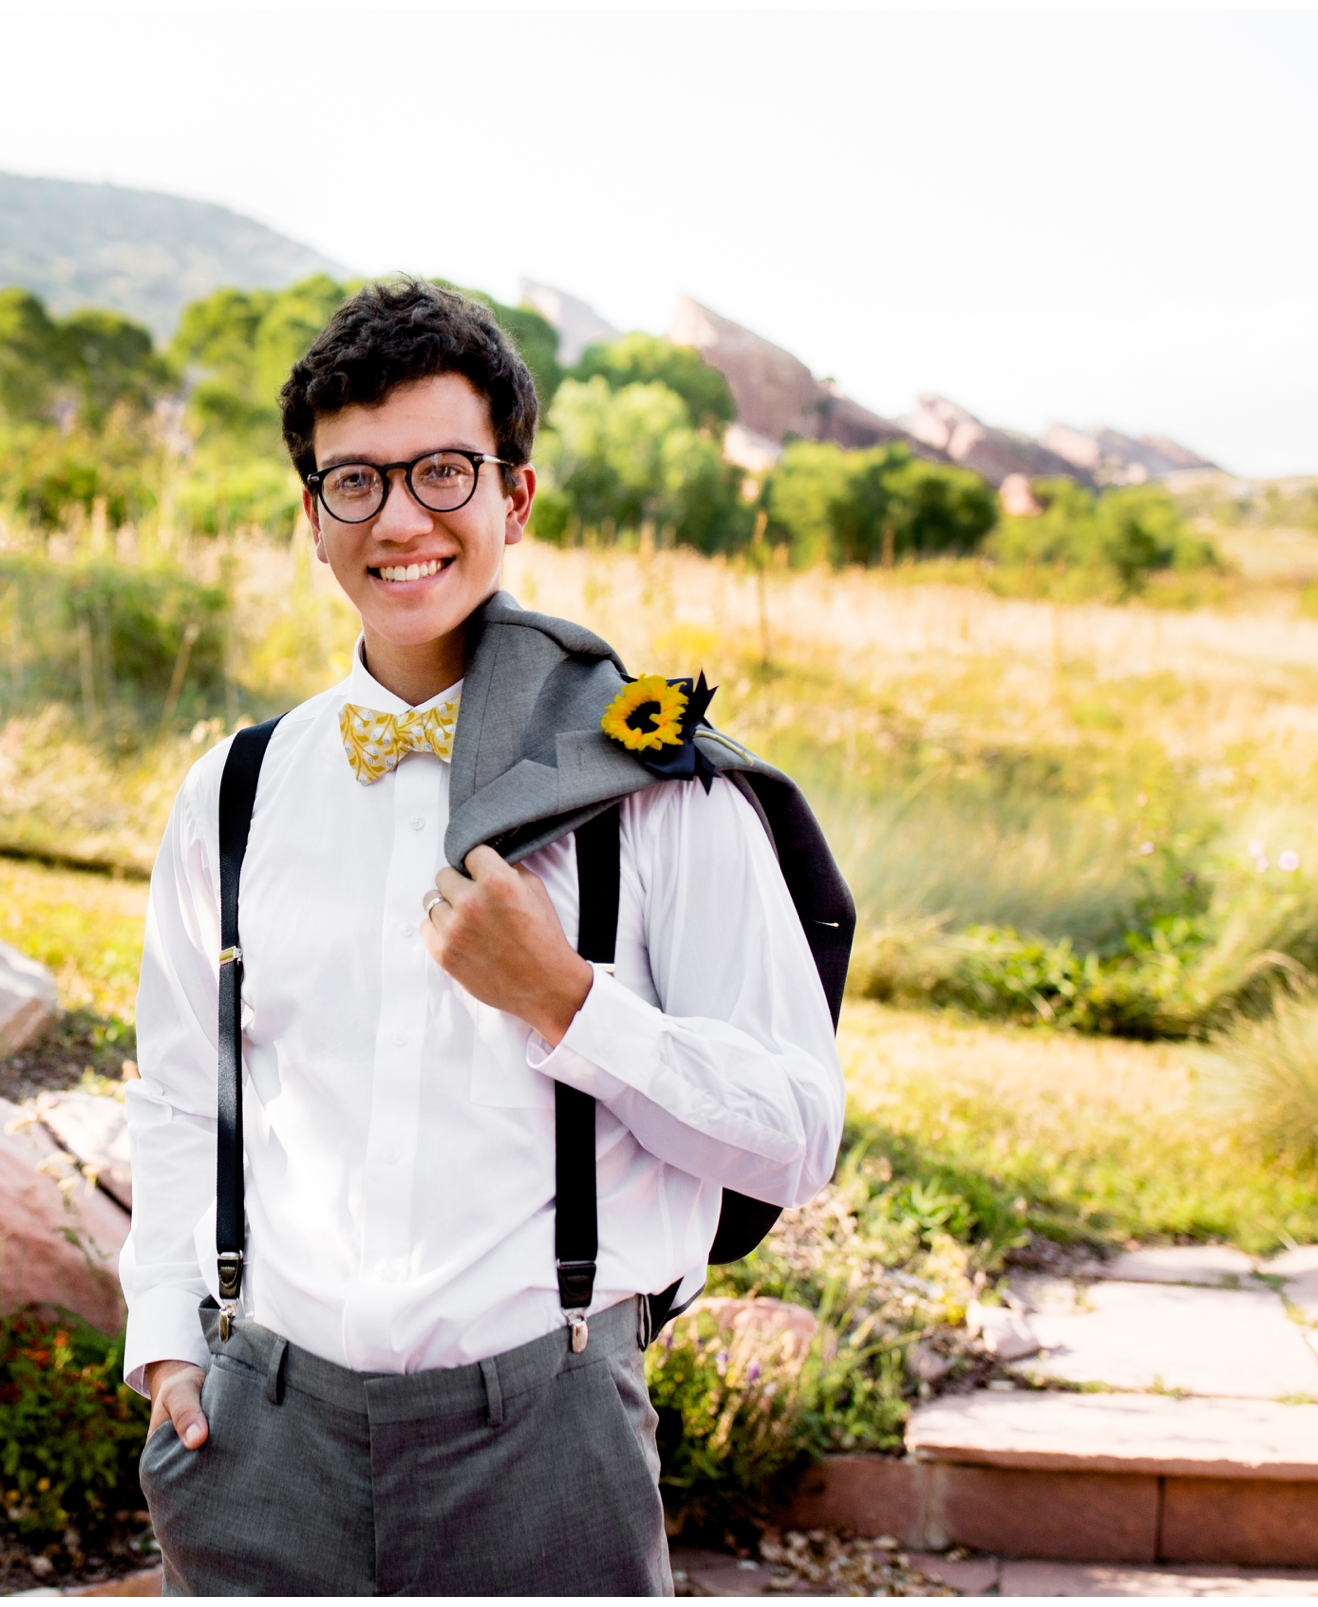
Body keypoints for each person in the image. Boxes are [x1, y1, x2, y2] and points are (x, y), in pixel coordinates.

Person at [119, 277, 846, 1596]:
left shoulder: (660, 792)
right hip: (258, 1435)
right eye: (356, 482)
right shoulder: (230, 791)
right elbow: (181, 1090)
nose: (401, 519)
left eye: (443, 472)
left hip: (544, 1448)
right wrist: (169, 1333)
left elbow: (798, 1136)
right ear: (312, 517)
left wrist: (572, 1004)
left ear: (514, 496)